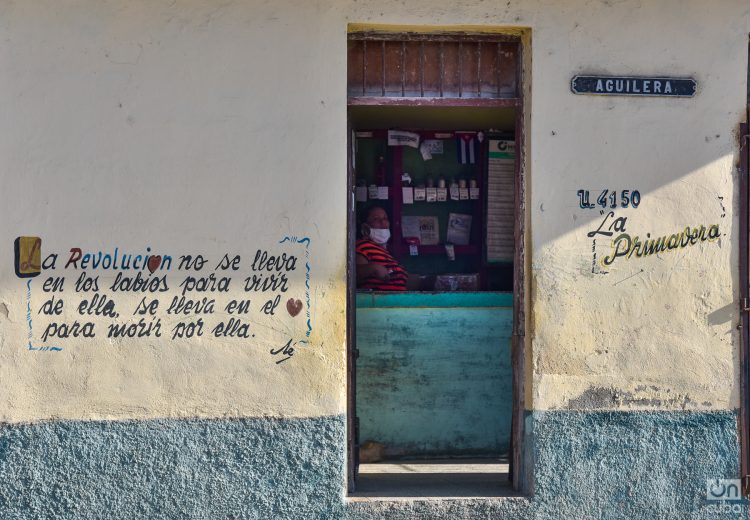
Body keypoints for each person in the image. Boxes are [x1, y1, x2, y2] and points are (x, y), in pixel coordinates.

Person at [356, 205, 408, 291]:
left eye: (385, 218)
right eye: (376, 219)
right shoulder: (362, 246)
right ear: (365, 227)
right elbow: (352, 276)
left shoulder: (387, 253)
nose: (383, 223)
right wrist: (372, 268)